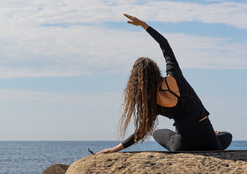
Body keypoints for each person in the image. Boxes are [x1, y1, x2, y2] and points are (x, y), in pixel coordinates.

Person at [98, 14, 232, 154]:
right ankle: (214, 133)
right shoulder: (174, 76)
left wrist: (114, 149)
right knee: (227, 135)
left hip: (182, 146)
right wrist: (144, 25)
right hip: (209, 141)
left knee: (158, 133)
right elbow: (164, 44)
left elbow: (142, 131)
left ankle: (180, 137)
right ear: (155, 70)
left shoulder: (152, 103)